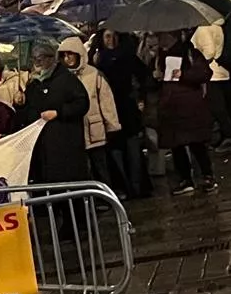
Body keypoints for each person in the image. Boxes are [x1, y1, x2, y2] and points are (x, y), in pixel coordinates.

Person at [154, 29, 218, 194]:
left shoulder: (190, 53)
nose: (158, 39)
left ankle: (207, 176)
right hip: (171, 108)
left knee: (196, 143)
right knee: (177, 146)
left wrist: (183, 74)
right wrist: (156, 76)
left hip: (189, 106)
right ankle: (186, 178)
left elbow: (204, 73)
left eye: (161, 35)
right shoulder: (159, 57)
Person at [20, 41, 92, 185]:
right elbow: (27, 113)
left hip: (65, 144)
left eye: (40, 58)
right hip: (42, 148)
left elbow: (82, 104)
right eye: (34, 59)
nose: (37, 62)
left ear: (51, 58)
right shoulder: (34, 85)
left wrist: (58, 112)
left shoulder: (67, 79)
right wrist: (20, 103)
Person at [93, 29, 153, 197]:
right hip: (109, 111)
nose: (111, 40)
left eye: (115, 36)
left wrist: (139, 96)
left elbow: (144, 76)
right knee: (115, 152)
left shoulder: (128, 57)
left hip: (127, 109)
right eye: (107, 36)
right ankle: (124, 187)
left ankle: (137, 187)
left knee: (133, 150)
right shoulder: (98, 61)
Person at [59, 36, 123, 186]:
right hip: (74, 132)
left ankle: (107, 194)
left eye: (70, 54)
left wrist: (112, 126)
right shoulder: (62, 78)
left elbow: (106, 101)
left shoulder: (94, 74)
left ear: (79, 54)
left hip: (95, 131)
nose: (67, 58)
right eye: (64, 55)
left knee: (101, 168)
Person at [193, 19, 231, 151]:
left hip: (212, 72)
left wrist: (199, 64)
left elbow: (209, 51)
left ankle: (228, 135)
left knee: (216, 106)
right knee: (222, 105)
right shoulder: (217, 26)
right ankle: (225, 134)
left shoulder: (203, 28)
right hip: (221, 70)